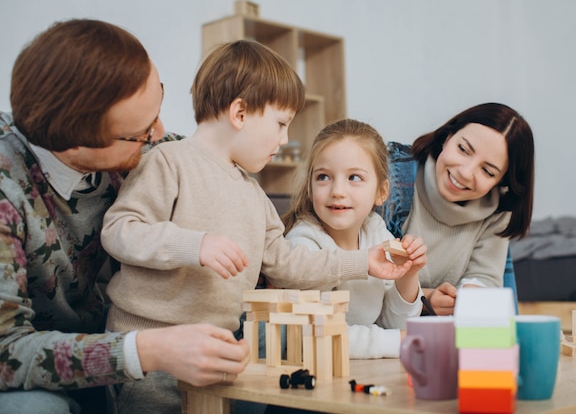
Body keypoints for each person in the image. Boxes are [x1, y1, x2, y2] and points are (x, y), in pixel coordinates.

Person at [100, 40, 418, 413]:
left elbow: (288, 265)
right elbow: (119, 229)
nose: (284, 140)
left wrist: (364, 262)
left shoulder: (254, 195)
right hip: (150, 353)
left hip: (215, 352)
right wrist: (195, 245)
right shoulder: (168, 162)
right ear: (239, 113)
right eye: (280, 125)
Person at [0, 19, 250, 414]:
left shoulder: (152, 152)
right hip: (34, 367)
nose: (162, 133)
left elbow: (208, 160)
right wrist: (148, 350)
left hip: (109, 334)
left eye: (160, 104)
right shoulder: (6, 189)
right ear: (76, 143)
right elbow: (6, 352)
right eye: (141, 131)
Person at [281, 118, 427, 359]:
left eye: (354, 178)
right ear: (309, 187)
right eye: (323, 177)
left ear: (381, 192)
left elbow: (396, 325)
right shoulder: (304, 244)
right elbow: (319, 334)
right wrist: (397, 342)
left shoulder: (376, 231)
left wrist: (409, 276)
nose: (337, 190)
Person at [380, 102, 535, 315]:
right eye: (463, 149)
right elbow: (362, 278)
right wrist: (426, 298)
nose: (465, 172)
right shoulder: (391, 176)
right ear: (447, 137)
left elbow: (485, 279)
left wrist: (467, 299)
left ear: (501, 182)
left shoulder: (497, 212)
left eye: (488, 171)